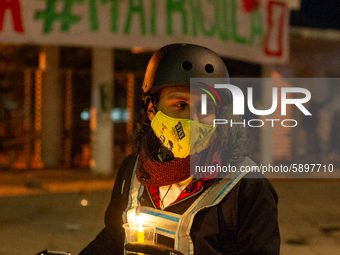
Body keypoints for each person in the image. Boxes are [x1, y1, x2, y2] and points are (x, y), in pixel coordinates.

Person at [79, 44, 280, 255]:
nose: (193, 119)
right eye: (179, 105)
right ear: (151, 110)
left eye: (205, 108)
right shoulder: (133, 170)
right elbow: (113, 238)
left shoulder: (247, 187)